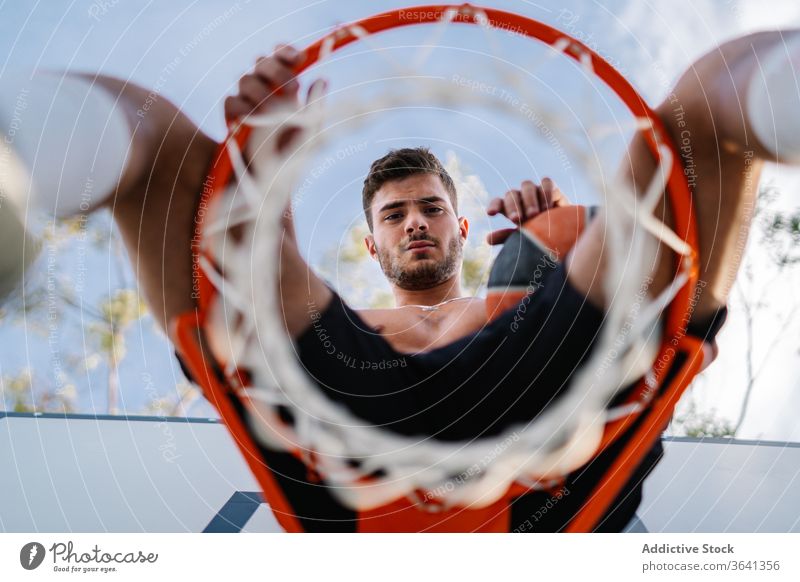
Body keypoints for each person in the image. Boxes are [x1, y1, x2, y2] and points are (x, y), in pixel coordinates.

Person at [1, 30, 799, 530]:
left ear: (460, 226)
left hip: (553, 451)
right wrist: (262, 190)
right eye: (392, 216)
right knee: (160, 146)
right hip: (352, 460)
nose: (413, 222)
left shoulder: (515, 301)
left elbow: (641, 257)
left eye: (428, 208)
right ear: (376, 248)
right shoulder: (350, 332)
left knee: (708, 105)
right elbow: (253, 293)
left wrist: (554, 224)